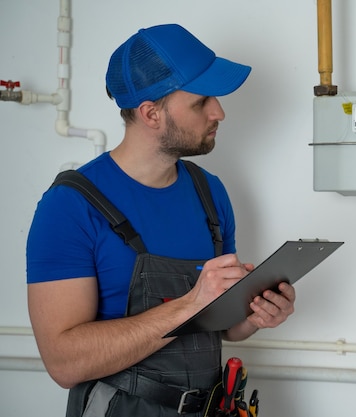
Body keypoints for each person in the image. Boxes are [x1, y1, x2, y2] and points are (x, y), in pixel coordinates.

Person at [26, 23, 296, 417]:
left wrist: (255, 314)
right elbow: (65, 363)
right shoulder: (70, 206)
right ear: (151, 113)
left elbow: (221, 325)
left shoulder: (210, 193)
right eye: (201, 101)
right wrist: (189, 304)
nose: (219, 112)